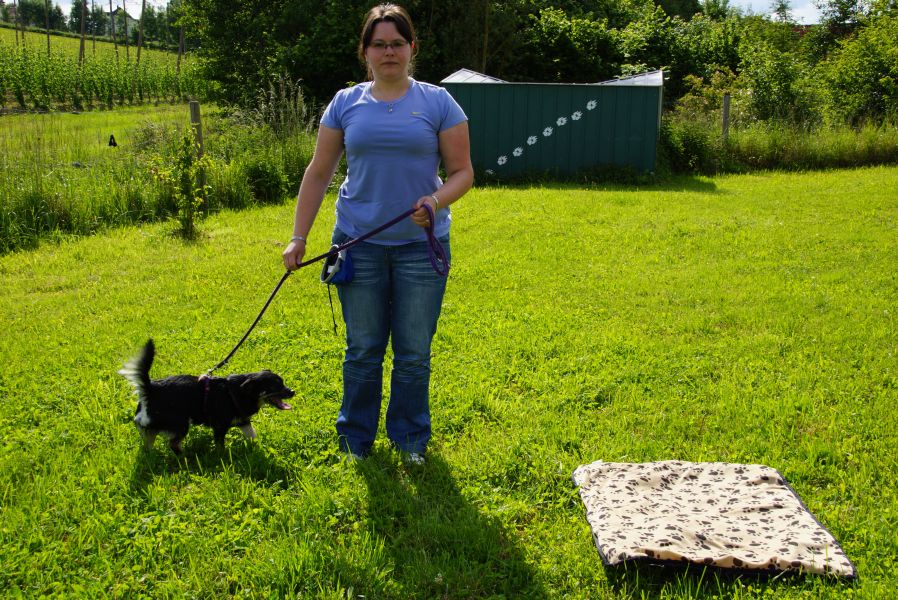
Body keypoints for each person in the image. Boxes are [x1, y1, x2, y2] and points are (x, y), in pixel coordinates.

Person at [282, 3, 473, 465]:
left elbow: (463, 172)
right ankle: (355, 441)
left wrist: (435, 201)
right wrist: (299, 237)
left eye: (397, 43)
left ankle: (410, 441)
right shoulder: (345, 103)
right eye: (379, 44)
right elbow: (318, 172)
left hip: (420, 248)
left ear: (412, 48)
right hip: (357, 245)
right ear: (365, 51)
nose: (389, 52)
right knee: (363, 349)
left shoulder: (439, 102)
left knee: (413, 352)